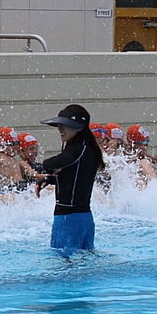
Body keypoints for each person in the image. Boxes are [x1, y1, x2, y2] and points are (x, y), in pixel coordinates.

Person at [38, 104, 104, 257]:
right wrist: (51, 179)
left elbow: (58, 162)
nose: (61, 129)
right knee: (84, 264)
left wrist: (44, 166)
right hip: (84, 219)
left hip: (69, 220)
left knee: (64, 267)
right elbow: (77, 177)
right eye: (59, 125)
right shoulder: (88, 148)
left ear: (79, 127)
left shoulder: (77, 149)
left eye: (66, 126)